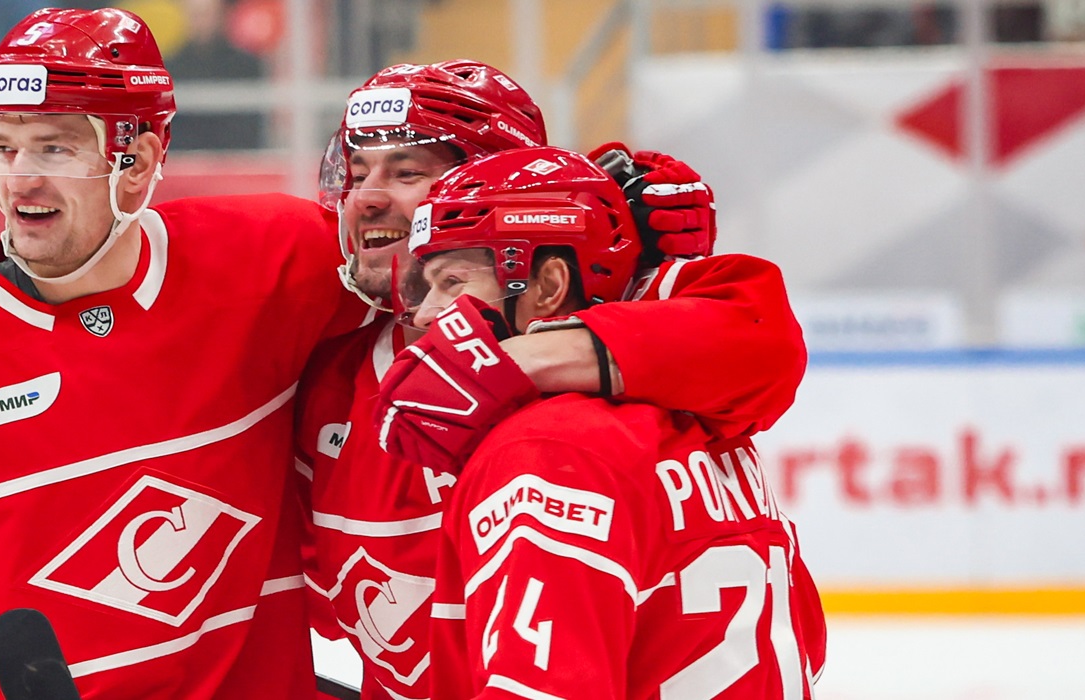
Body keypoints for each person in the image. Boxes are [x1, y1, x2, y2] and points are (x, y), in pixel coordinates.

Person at [0, 8, 641, 699]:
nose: (20, 179)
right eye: (4, 144)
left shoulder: (274, 264)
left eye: (56, 146)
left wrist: (629, 238)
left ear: (140, 159)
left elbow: (497, 274)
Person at [300, 61, 808, 700]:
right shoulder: (326, 373)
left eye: (407, 173)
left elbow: (760, 335)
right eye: (356, 174)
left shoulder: (625, 323)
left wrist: (523, 360)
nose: (366, 199)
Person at [393, 146, 826, 699]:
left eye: (453, 281)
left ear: (549, 286)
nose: (427, 313)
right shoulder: (696, 421)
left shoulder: (546, 453)